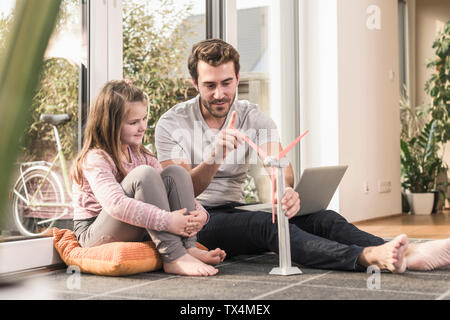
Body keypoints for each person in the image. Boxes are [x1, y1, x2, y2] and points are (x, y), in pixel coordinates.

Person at [155, 38, 450, 273]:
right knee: (266, 225)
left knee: (323, 218)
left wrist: (283, 192)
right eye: (210, 86)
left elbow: (279, 168)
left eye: (226, 83)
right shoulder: (173, 123)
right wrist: (213, 157)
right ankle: (367, 257)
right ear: (195, 84)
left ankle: (408, 253)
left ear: (237, 77)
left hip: (236, 210)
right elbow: (182, 192)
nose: (219, 94)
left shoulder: (253, 116)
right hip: (198, 223)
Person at [71, 80, 225, 277]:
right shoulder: (96, 158)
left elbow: (173, 189)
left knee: (175, 174)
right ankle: (174, 256)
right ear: (109, 124)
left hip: (133, 224)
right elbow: (116, 204)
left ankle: (188, 247)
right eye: (133, 122)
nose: (142, 127)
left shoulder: (142, 155)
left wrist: (201, 215)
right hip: (94, 231)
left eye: (144, 119)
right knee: (143, 175)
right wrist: (167, 220)